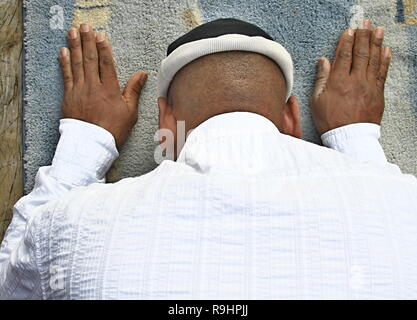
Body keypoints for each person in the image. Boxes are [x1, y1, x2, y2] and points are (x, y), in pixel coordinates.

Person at [1, 18, 416, 299]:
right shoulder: (405, 206)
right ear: (291, 118)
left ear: (164, 122)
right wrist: (357, 142)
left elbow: (10, 283)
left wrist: (85, 141)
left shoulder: (70, 221)